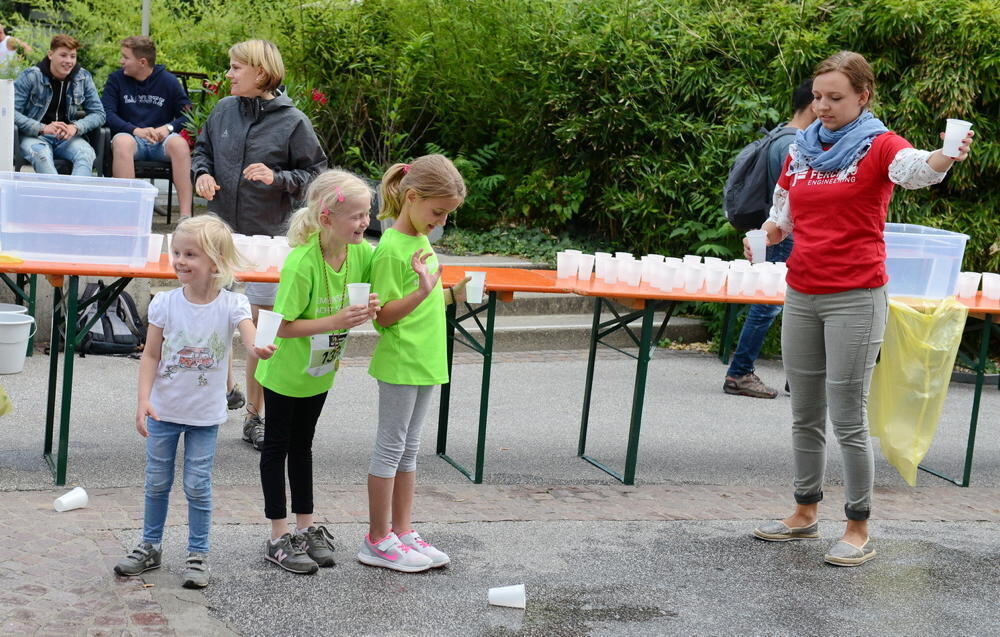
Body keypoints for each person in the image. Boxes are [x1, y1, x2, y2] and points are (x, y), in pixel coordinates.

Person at [750, 51, 975, 566]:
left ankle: (857, 526)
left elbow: (919, 170)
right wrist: (766, 234)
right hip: (802, 292)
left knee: (847, 417)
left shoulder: (878, 145)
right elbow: (781, 213)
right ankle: (804, 512)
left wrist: (946, 153)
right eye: (817, 96)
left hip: (855, 295)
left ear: (863, 97)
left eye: (835, 97)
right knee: (805, 413)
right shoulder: (802, 149)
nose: (821, 106)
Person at [114, 215, 275, 588]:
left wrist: (260, 347)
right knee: (156, 481)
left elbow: (250, 339)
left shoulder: (233, 303)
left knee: (198, 485)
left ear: (215, 262)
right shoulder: (164, 303)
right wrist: (142, 400)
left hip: (204, 415)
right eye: (177, 252)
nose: (180, 260)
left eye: (191, 254)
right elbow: (151, 355)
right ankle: (150, 546)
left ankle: (198, 553)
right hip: (163, 411)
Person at [191, 39, 327, 450]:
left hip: (270, 240)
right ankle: (222, 393)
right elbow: (203, 151)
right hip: (221, 234)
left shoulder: (293, 121)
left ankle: (255, 416)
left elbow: (316, 178)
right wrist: (201, 174)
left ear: (261, 74)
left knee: (262, 330)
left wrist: (277, 178)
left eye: (235, 68)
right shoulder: (222, 111)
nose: (228, 74)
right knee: (213, 316)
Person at [254, 169, 380, 574]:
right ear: (327, 218)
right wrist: (336, 319)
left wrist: (370, 309)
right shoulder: (302, 263)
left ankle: (306, 529)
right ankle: (277, 536)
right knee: (277, 449)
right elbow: (281, 326)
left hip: (320, 371)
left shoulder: (361, 253)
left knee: (303, 446)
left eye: (368, 214)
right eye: (357, 215)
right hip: (285, 372)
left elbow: (386, 273)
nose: (365, 222)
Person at [358, 155, 469, 573]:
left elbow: (423, 298)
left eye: (446, 215)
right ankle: (376, 539)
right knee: (390, 450)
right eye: (437, 212)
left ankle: (402, 533)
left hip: (425, 359)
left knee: (409, 451)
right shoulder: (390, 249)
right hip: (402, 360)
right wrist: (425, 293)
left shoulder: (421, 241)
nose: (440, 222)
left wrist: (448, 295)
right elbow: (384, 316)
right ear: (411, 197)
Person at [724, 78, 816, 399]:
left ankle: (798, 376)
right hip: (780, 233)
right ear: (814, 105)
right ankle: (739, 373)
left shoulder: (779, 134)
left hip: (773, 231)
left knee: (787, 303)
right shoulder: (794, 145)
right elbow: (792, 200)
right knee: (769, 304)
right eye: (824, 99)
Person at [102, 36, 194, 218]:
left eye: (125, 57)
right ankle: (128, 215)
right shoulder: (116, 80)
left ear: (142, 62)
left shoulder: (168, 81)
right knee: (121, 142)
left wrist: (167, 128)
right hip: (131, 138)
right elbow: (107, 113)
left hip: (161, 141)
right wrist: (135, 130)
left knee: (180, 145)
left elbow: (188, 115)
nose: (121, 61)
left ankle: (185, 217)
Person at [13, 34, 105, 176]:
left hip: (68, 137)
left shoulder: (83, 77)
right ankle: (57, 196)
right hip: (35, 136)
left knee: (86, 154)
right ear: (50, 55)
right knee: (41, 155)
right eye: (63, 55)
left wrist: (75, 127)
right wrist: (42, 128)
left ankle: (76, 196)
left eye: (72, 56)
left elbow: (99, 114)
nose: (69, 61)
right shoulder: (31, 76)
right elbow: (10, 112)